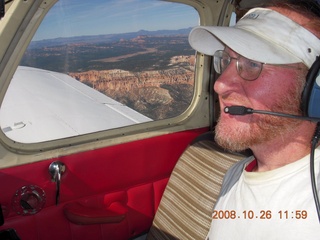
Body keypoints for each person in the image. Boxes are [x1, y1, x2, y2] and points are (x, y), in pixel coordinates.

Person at [188, 0, 320, 239]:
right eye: (227, 60)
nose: (219, 84)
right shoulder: (237, 172)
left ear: (313, 87)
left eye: (252, 64)